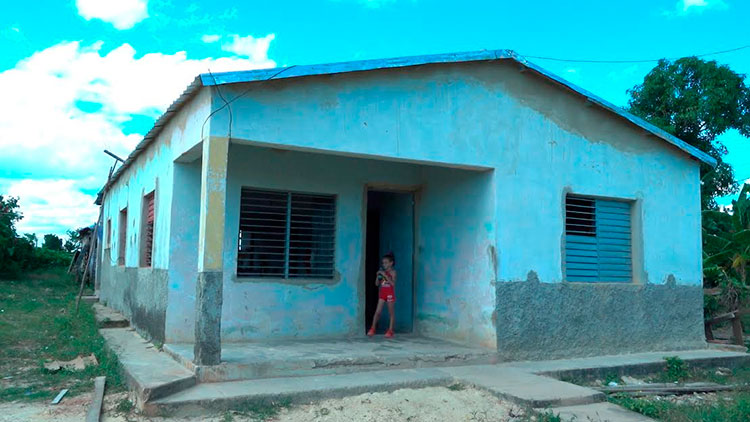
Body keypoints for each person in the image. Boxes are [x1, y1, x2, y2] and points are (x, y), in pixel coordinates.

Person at [367, 252, 397, 338]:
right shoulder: (382, 272)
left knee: (391, 313)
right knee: (378, 312)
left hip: (390, 294)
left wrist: (386, 276)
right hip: (382, 294)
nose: (384, 265)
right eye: (383, 263)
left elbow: (393, 284)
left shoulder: (393, 272)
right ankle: (372, 328)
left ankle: (390, 330)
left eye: (386, 263)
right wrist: (378, 276)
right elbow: (377, 284)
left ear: (391, 263)